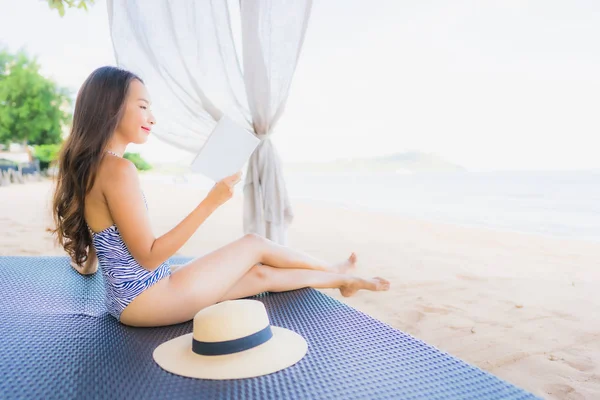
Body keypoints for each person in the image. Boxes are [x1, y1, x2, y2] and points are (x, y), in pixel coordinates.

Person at [50, 66, 390, 327]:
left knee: (260, 275)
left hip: (128, 300)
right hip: (147, 298)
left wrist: (87, 268)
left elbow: (100, 239)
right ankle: (336, 271)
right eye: (143, 106)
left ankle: (340, 279)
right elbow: (151, 256)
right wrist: (212, 201)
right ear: (111, 109)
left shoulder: (90, 167)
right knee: (254, 243)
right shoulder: (119, 171)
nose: (152, 117)